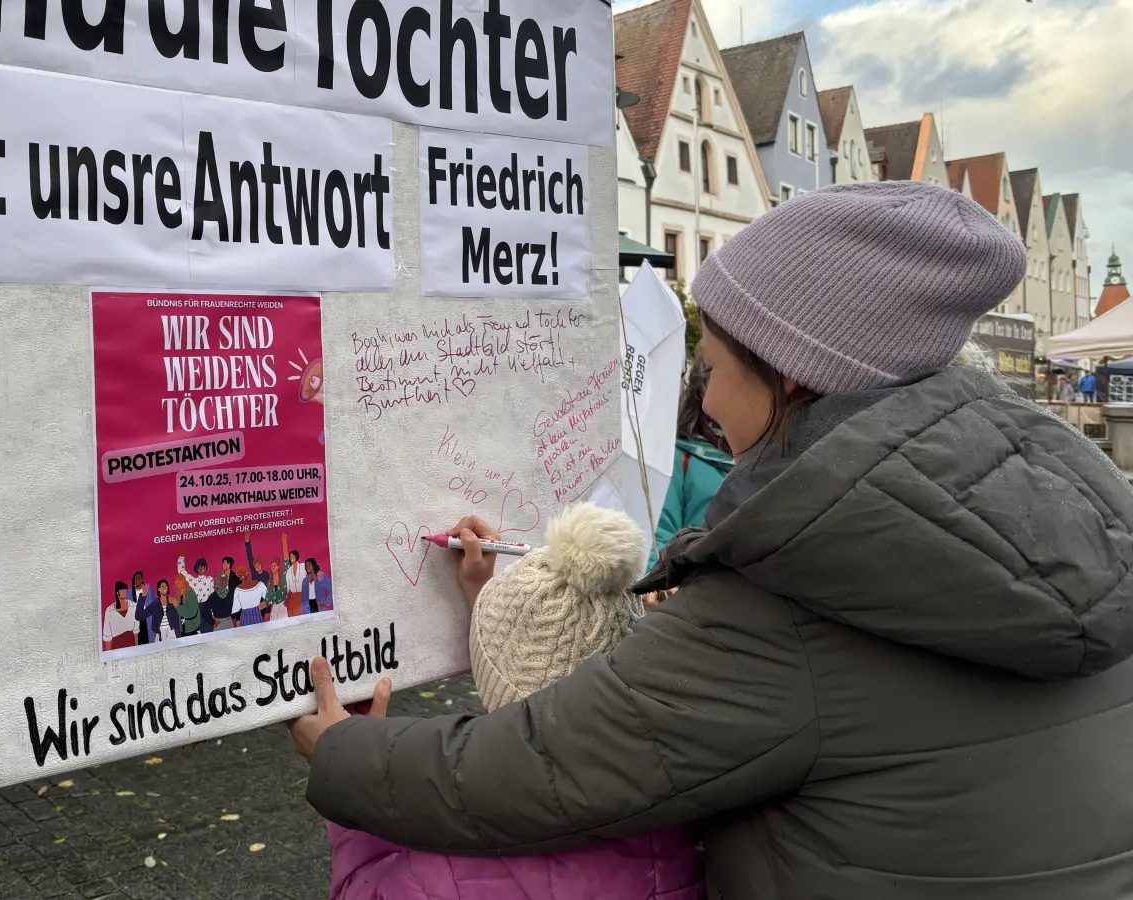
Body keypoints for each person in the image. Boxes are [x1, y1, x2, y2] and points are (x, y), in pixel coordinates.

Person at [290, 182, 1133, 898]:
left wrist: (345, 753)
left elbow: (540, 767)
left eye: (715, 366)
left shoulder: (794, 593)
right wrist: (505, 602)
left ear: (796, 371)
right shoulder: (1048, 515)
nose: (710, 403)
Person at [321, 504, 703, 900]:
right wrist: (485, 597)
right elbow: (544, 679)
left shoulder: (452, 872)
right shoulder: (686, 794)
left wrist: (349, 770)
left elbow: (363, 889)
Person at [649, 357, 734, 571]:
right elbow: (658, 532)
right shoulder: (681, 457)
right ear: (701, 391)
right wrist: (657, 578)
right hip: (690, 592)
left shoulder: (772, 461)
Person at [177, 551, 215, 632]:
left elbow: (212, 596)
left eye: (204, 567)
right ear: (197, 568)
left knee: (208, 630)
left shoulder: (210, 579)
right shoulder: (193, 581)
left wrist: (212, 613)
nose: (202, 569)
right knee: (196, 631)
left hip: (207, 608)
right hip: (196, 608)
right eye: (200, 567)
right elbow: (181, 572)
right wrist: (181, 557)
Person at [101, 581, 138, 651]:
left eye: (125, 590)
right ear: (117, 592)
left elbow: (136, 632)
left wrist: (137, 648)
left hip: (131, 644)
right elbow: (107, 637)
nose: (124, 592)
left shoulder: (133, 606)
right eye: (121, 590)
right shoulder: (109, 610)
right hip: (117, 647)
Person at [286, 549, 306, 617]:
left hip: (304, 595)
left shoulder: (303, 566)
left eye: (292, 556)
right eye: (290, 556)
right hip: (293, 598)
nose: (291, 558)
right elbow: (287, 588)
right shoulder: (288, 571)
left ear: (296, 557)